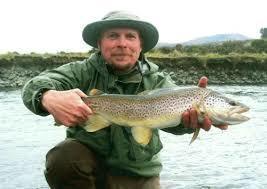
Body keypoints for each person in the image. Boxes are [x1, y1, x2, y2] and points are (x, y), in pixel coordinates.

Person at [22, 11, 228, 189]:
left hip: (140, 173)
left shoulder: (158, 81)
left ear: (140, 46)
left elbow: (174, 124)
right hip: (88, 169)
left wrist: (188, 124)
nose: (122, 43)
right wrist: (47, 96)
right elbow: (35, 84)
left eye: (130, 37)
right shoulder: (81, 72)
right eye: (113, 36)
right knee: (62, 157)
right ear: (99, 44)